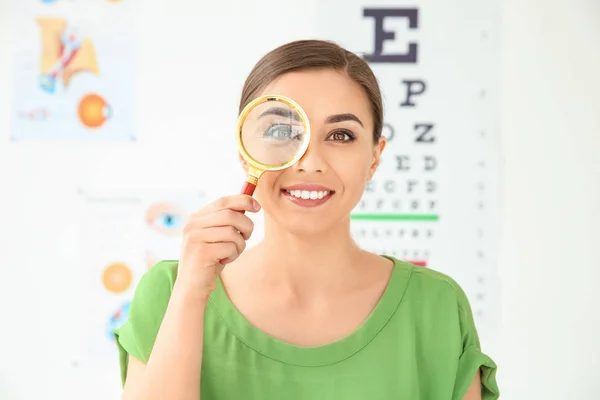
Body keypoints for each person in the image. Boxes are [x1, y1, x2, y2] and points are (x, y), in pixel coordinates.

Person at [114, 39, 500, 400]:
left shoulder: (437, 307)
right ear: (246, 149)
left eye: (342, 135)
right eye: (281, 130)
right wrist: (190, 296)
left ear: (375, 157)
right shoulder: (169, 293)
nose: (310, 162)